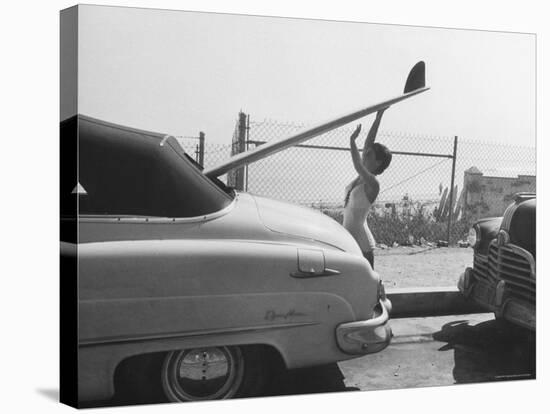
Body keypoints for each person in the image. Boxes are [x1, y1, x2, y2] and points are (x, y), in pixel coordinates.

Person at [343, 109, 392, 269]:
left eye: (369, 154)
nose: (365, 154)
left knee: (364, 289)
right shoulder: (361, 177)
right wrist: (379, 116)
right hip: (350, 242)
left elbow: (357, 164)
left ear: (378, 162)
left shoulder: (373, 184)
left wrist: (352, 141)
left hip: (363, 246)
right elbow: (368, 143)